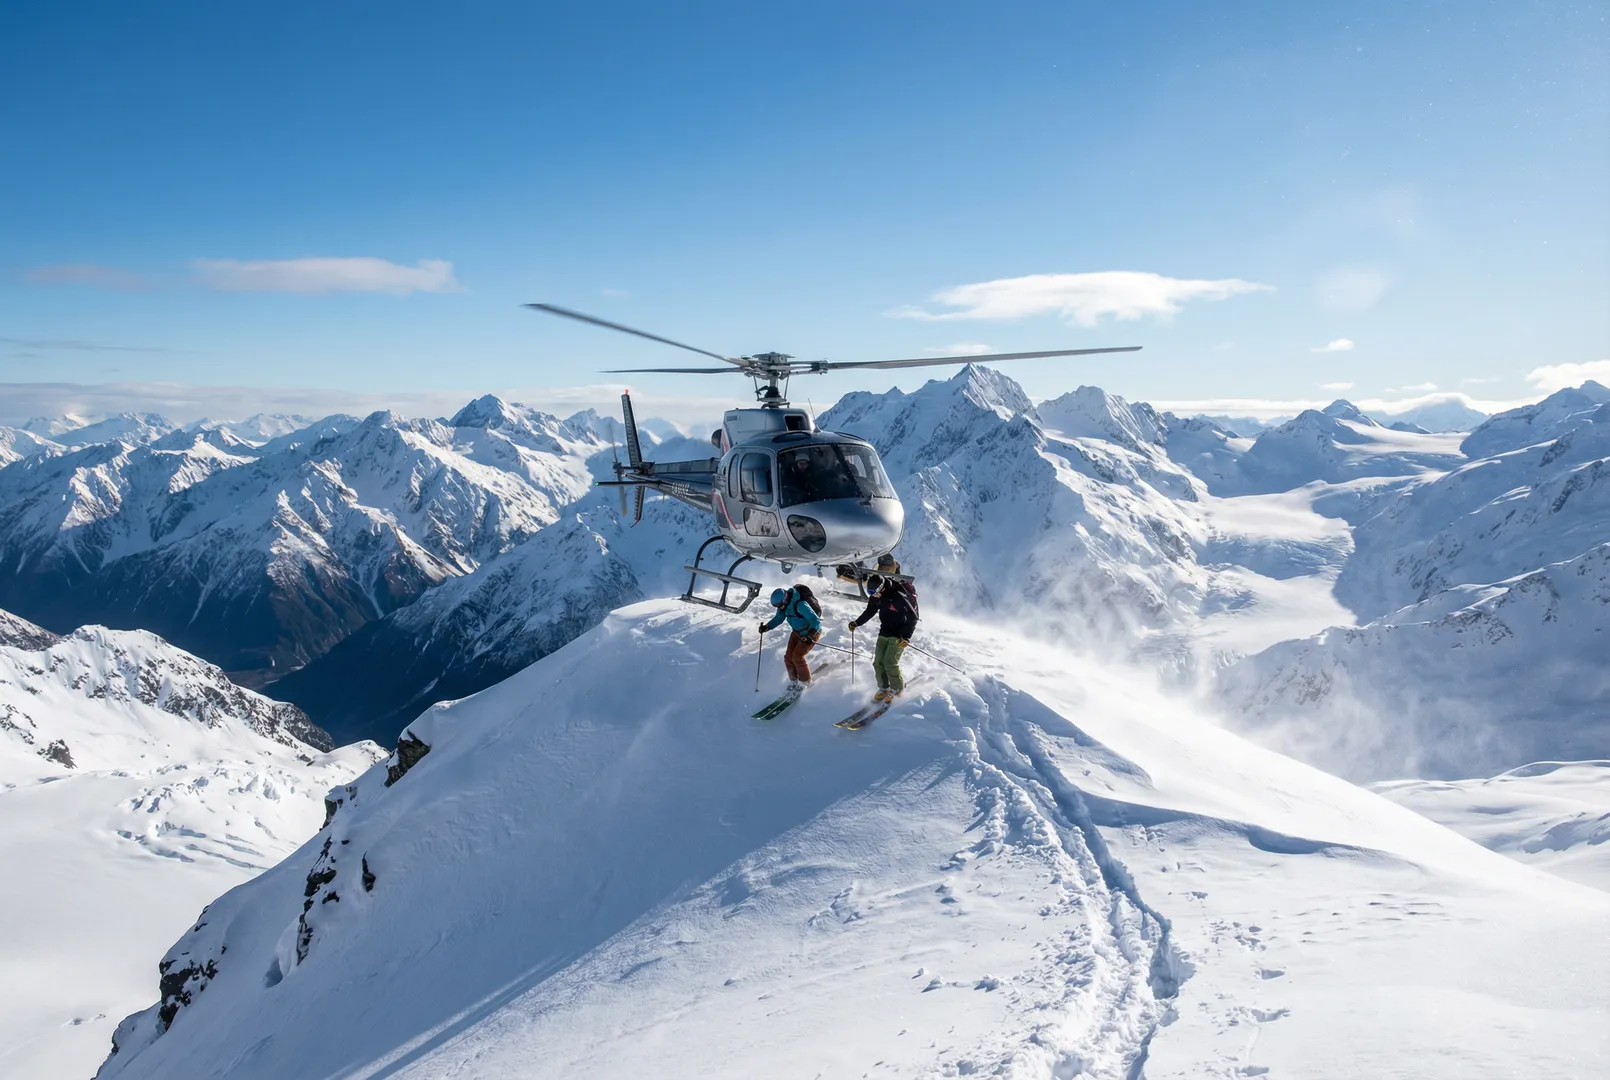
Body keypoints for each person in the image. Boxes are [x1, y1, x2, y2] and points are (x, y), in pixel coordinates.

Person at [847, 571, 919, 703]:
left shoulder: (897, 596)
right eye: (871, 594)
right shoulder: (876, 596)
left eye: (875, 593)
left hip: (899, 635)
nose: (873, 596)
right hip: (884, 631)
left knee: (890, 662)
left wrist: (906, 637)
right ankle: (884, 688)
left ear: (882, 588)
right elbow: (870, 610)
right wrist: (857, 623)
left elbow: (913, 617)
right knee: (878, 662)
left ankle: (897, 689)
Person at [759, 585, 822, 687]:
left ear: (785, 599)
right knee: (788, 658)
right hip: (797, 633)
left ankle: (805, 682)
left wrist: (810, 635)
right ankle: (794, 681)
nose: (779, 608)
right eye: (777, 606)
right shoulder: (784, 606)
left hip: (810, 633)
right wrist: (767, 627)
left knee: (797, 657)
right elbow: (778, 618)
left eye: (780, 605)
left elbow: (815, 620)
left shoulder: (800, 605)